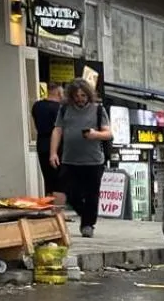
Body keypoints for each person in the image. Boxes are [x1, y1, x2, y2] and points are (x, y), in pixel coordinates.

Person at [50, 80, 112, 237]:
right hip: (69, 159)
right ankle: (85, 214)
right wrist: (53, 152)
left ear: (89, 94)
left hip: (93, 160)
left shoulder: (98, 110)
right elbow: (57, 131)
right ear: (71, 95)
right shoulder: (64, 109)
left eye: (83, 95)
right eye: (76, 95)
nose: (80, 98)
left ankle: (88, 224)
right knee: (69, 192)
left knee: (92, 194)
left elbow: (108, 133)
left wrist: (94, 134)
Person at [31, 82, 65, 197]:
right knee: (60, 180)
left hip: (41, 144)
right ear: (59, 93)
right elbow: (60, 129)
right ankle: (58, 208)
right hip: (57, 146)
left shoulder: (37, 106)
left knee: (48, 179)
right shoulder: (59, 109)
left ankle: (49, 202)